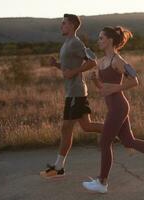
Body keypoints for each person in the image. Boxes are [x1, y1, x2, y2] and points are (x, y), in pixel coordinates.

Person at [82, 26, 144, 193]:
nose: (99, 41)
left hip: (119, 107)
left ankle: (102, 182)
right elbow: (104, 89)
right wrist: (95, 80)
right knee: (129, 142)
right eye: (99, 38)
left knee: (104, 142)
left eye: (101, 38)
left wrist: (116, 88)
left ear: (110, 40)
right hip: (113, 106)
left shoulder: (118, 61)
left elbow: (135, 81)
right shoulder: (102, 62)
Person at [40, 14, 103, 178]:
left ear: (73, 25)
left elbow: (93, 61)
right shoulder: (66, 44)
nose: (61, 25)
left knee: (66, 128)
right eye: (61, 23)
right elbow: (68, 69)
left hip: (77, 92)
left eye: (64, 23)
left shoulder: (75, 42)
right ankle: (115, 129)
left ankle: (58, 167)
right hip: (71, 92)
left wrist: (74, 72)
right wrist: (56, 65)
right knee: (86, 127)